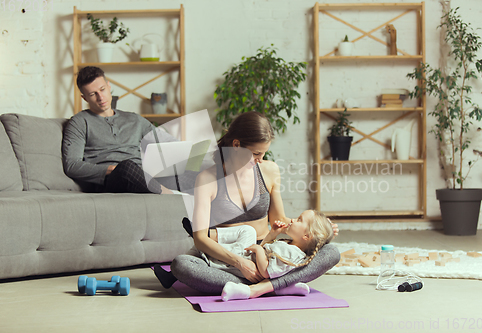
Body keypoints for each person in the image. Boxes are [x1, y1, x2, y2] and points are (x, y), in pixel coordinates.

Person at [154, 111, 341, 294]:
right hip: (228, 258)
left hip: (268, 252)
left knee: (331, 251)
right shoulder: (207, 179)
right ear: (236, 145)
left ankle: (261, 286)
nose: (260, 160)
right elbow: (201, 238)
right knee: (181, 265)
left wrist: (319, 230)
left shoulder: (269, 171)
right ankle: (277, 283)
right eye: (256, 154)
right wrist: (240, 263)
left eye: (264, 154)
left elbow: (279, 221)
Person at [62, 66, 174, 194]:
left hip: (140, 176)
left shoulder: (134, 119)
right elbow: (72, 165)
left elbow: (167, 143)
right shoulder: (79, 122)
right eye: (93, 94)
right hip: (109, 181)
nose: (100, 98)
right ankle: (167, 193)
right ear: (85, 98)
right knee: (126, 167)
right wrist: (110, 169)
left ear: (109, 86)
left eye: (102, 89)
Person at [216, 209, 335, 301]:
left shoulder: (291, 253)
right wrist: (272, 234)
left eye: (299, 219)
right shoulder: (289, 245)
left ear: (307, 236)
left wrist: (259, 250)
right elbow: (266, 250)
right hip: (248, 259)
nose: (292, 220)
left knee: (221, 254)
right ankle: (281, 288)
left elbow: (266, 271)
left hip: (246, 267)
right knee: (247, 231)